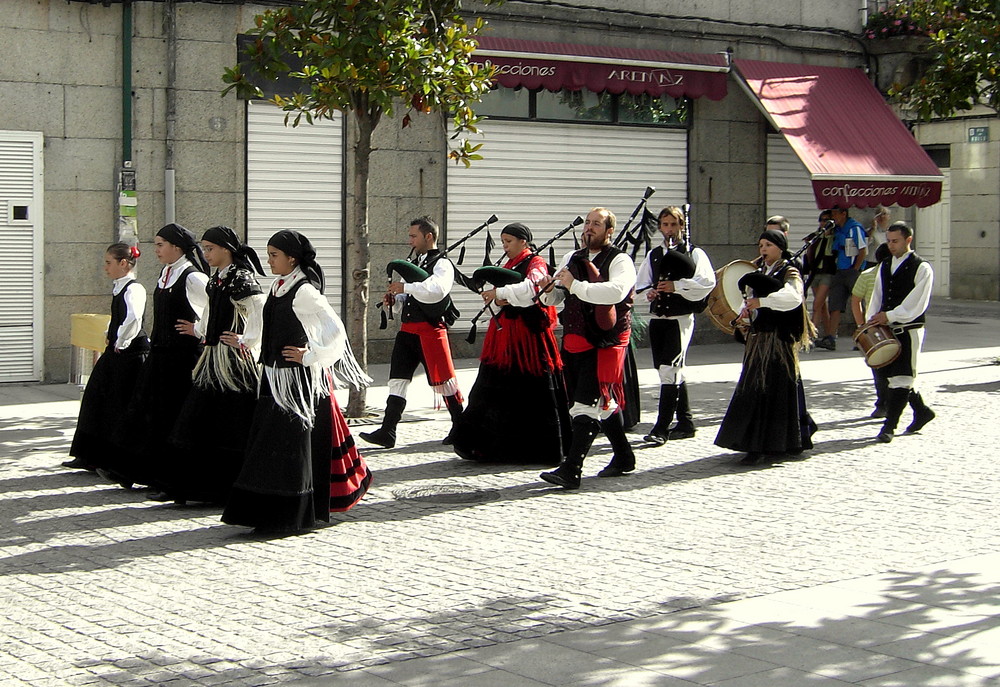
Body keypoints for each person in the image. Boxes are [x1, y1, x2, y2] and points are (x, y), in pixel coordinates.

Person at [222, 230, 372, 534]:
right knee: (271, 443)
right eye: (268, 254)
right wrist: (247, 341)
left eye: (274, 255)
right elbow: (268, 326)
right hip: (274, 377)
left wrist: (309, 356)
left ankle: (288, 514)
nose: (268, 260)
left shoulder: (304, 291)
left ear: (292, 258)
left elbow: (335, 331)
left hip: (295, 383)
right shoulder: (279, 286)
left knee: (287, 445)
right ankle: (269, 513)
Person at [97, 223, 210, 496]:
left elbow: (216, 305)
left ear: (177, 247)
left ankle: (168, 481)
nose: (156, 250)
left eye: (160, 244)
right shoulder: (165, 273)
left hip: (182, 358)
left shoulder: (193, 277)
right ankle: (130, 470)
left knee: (170, 416)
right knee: (145, 411)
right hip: (160, 356)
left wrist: (198, 329)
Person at [451, 223, 571, 464]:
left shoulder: (535, 263)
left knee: (531, 393)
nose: (504, 246)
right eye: (503, 241)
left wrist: (500, 294)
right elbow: (502, 294)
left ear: (523, 242)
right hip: (505, 335)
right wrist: (496, 297)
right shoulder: (508, 264)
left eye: (509, 241)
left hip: (528, 338)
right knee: (494, 388)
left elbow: (532, 289)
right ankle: (491, 445)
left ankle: (532, 447)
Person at [536, 207, 637, 489]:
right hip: (576, 338)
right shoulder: (572, 258)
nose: (589, 228)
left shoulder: (621, 260)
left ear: (609, 231)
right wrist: (548, 290)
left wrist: (576, 285)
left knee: (585, 404)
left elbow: (615, 292)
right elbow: (557, 296)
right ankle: (624, 456)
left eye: (596, 224)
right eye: (588, 223)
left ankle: (571, 469)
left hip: (607, 340)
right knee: (601, 403)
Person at [167, 225, 266, 504]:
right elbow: (210, 312)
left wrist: (247, 340)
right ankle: (198, 487)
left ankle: (225, 488)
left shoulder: (241, 279)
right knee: (200, 418)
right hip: (212, 358)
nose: (205, 254)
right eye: (204, 248)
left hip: (231, 363)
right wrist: (201, 331)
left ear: (226, 249)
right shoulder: (216, 280)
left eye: (210, 249)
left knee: (230, 423)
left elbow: (259, 309)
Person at [715, 229, 817, 466]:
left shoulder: (789, 272)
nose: (763, 250)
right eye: (761, 245)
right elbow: (750, 301)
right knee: (755, 390)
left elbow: (793, 298)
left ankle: (773, 444)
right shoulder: (759, 272)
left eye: (768, 245)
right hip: (758, 340)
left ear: (780, 248)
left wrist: (764, 301)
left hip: (778, 341)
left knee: (776, 391)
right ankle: (754, 442)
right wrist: (746, 316)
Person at [360, 216, 463, 449]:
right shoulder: (415, 262)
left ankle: (461, 426)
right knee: (398, 379)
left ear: (429, 237)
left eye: (413, 236)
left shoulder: (443, 264)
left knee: (444, 381)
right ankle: (388, 431)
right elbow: (412, 298)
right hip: (407, 331)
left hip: (430, 331)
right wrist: (396, 299)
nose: (410, 241)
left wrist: (405, 287)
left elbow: (436, 291)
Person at [64, 244, 150, 472]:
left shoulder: (134, 289)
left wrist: (121, 341)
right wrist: (109, 336)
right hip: (115, 352)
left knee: (117, 403)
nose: (105, 268)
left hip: (129, 355)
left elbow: (133, 319)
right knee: (95, 398)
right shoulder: (119, 287)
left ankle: (110, 458)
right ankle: (88, 454)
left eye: (108, 262)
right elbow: (117, 317)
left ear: (124, 263)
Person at [635, 206, 715, 445]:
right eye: (665, 224)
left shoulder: (694, 253)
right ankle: (686, 421)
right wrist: (649, 293)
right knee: (666, 369)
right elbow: (640, 285)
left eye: (674, 224)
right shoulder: (654, 255)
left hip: (680, 318)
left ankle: (661, 428)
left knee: (670, 370)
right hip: (659, 318)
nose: (669, 230)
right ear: (660, 226)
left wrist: (677, 286)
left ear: (682, 226)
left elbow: (707, 282)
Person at [866, 221, 935, 443]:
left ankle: (889, 426)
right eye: (888, 241)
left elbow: (917, 302)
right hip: (886, 329)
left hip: (909, 328)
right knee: (890, 376)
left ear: (908, 240)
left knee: (903, 376)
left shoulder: (921, 267)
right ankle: (922, 411)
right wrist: (872, 321)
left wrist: (892, 315)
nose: (891, 245)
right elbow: (877, 295)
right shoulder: (885, 265)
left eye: (895, 241)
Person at [850, 242, 891, 418]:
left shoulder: (867, 275)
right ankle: (886, 403)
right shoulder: (873, 275)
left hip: (875, 328)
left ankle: (883, 404)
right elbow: (856, 300)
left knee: (879, 367)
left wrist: (862, 325)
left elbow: (855, 301)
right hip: (882, 327)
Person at [822, 205, 867, 351]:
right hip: (839, 271)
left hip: (851, 271)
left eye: (835, 213)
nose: (833, 217)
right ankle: (830, 337)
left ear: (843, 214)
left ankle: (863, 337)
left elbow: (862, 250)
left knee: (857, 303)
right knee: (834, 305)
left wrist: (855, 269)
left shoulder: (854, 228)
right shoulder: (836, 229)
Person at [806, 210, 838, 350]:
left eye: (827, 220)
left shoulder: (835, 237)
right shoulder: (816, 236)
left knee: (817, 304)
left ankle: (811, 337)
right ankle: (829, 336)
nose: (824, 223)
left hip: (828, 273)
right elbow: (809, 255)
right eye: (822, 220)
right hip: (815, 272)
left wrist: (828, 236)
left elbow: (831, 253)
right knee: (822, 306)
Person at [864, 206, 891, 270]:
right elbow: (865, 244)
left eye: (884, 214)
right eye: (879, 214)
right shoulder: (871, 231)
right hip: (872, 263)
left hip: (886, 262)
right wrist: (873, 228)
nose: (882, 217)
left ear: (889, 217)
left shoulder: (892, 232)